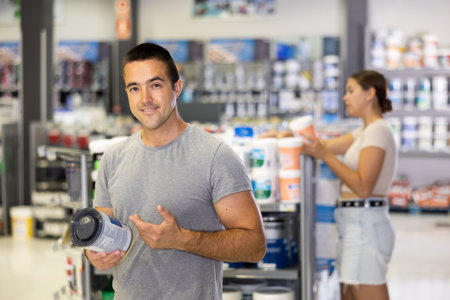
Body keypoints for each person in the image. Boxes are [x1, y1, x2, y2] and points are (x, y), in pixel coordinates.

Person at [85, 43, 267, 300]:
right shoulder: (113, 159)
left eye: (155, 85)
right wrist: (94, 252)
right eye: (134, 88)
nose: (145, 98)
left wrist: (183, 239)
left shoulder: (215, 156)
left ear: (177, 88)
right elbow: (104, 231)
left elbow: (255, 246)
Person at [301, 70, 397, 300]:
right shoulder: (364, 131)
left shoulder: (378, 130)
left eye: (351, 91)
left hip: (366, 227)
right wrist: (284, 135)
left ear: (370, 94)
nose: (345, 97)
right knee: (349, 292)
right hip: (353, 225)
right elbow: (325, 145)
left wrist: (325, 156)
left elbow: (363, 187)